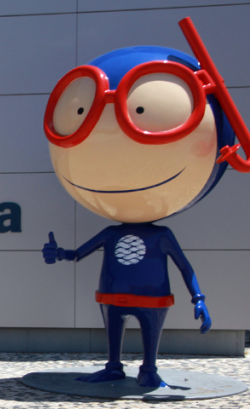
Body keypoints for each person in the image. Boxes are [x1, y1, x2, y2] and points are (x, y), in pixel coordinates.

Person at [41, 18, 250, 388]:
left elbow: (184, 266)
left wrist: (198, 297)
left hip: (153, 294)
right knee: (113, 327)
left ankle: (149, 368)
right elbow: (81, 253)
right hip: (112, 290)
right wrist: (61, 254)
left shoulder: (161, 236)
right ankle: (114, 365)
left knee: (151, 331)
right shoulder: (110, 233)